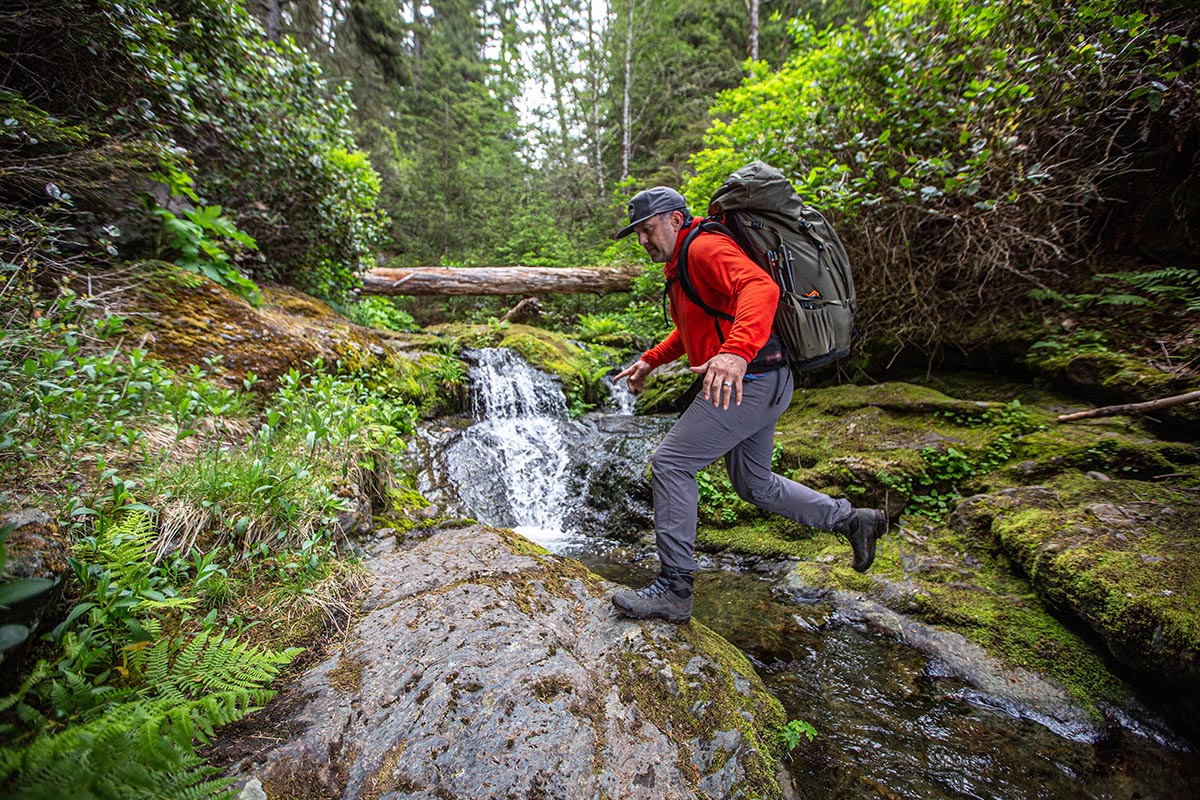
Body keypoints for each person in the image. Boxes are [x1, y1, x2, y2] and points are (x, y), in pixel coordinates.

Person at [610, 186, 888, 625]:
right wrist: (650, 360)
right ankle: (853, 520)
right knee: (753, 484)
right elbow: (692, 328)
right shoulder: (681, 264)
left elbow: (760, 288)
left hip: (751, 379)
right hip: (765, 380)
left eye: (647, 229)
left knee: (671, 463)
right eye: (638, 234)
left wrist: (736, 352)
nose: (644, 240)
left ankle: (675, 589)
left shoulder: (703, 248)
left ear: (675, 221)